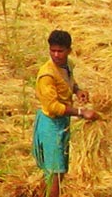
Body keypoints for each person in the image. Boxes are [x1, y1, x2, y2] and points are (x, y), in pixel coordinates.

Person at [32, 30, 100, 197]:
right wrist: (81, 112)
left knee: (60, 171)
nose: (56, 55)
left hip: (62, 124)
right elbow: (53, 106)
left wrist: (77, 90)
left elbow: (68, 82)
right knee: (54, 172)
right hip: (50, 125)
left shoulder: (66, 65)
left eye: (60, 51)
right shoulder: (46, 75)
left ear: (69, 50)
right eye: (53, 50)